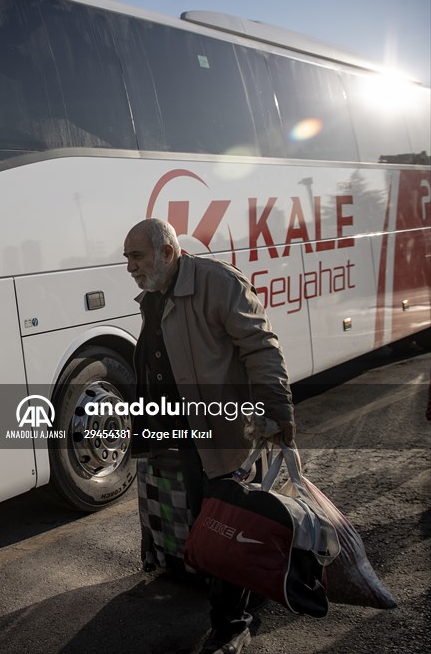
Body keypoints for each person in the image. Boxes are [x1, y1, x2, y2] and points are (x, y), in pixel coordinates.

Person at [123, 218, 295, 654]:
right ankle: (238, 592)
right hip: (186, 435)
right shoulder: (155, 296)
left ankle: (231, 626)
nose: (129, 267)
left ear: (168, 252)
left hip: (224, 432)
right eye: (126, 258)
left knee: (228, 528)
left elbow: (260, 346)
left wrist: (276, 411)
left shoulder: (217, 282)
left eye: (136, 256)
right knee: (208, 522)